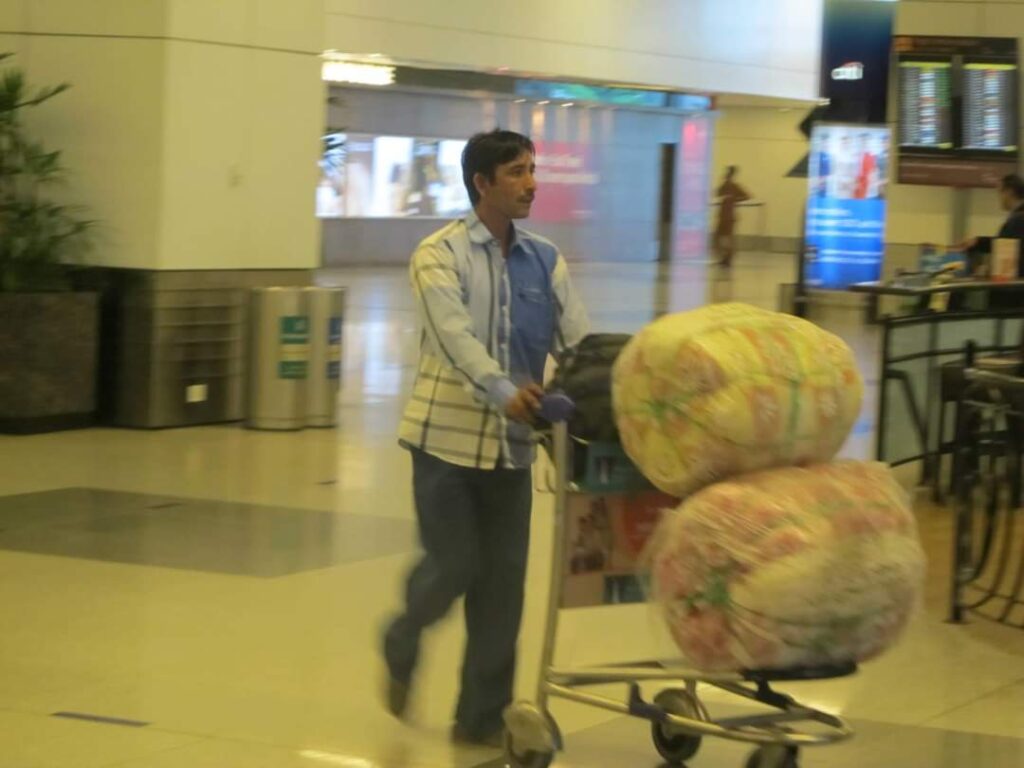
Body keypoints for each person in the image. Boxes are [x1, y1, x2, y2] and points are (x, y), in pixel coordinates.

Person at [382, 129, 590, 747]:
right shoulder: (438, 255)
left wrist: (600, 384)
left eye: (533, 169)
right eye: (517, 172)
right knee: (454, 566)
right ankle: (403, 633)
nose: (532, 183)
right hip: (444, 444)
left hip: (512, 449)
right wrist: (504, 391)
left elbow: (576, 344)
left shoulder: (545, 260)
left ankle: (479, 718)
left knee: (502, 587)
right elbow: (454, 340)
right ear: (482, 183)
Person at [713, 166, 751, 268]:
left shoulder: (735, 186)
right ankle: (723, 257)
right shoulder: (724, 186)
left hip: (729, 217)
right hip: (722, 216)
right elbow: (717, 193)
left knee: (728, 238)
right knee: (718, 237)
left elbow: (747, 196)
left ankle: (728, 259)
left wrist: (734, 199)